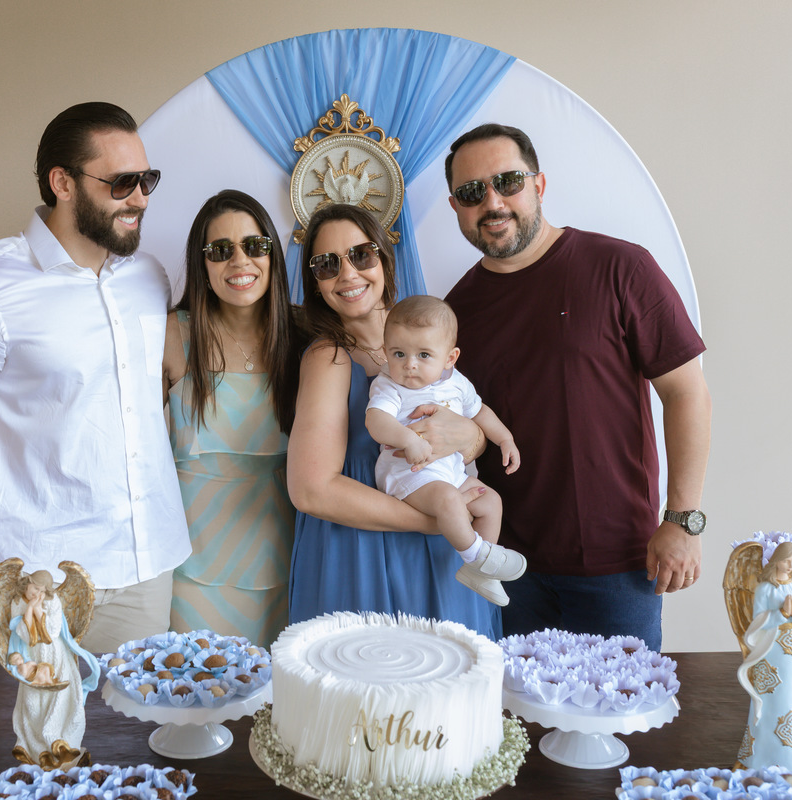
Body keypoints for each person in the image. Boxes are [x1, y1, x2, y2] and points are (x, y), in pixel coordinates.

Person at [0, 102, 190, 653]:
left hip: (147, 564)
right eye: (122, 183)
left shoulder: (149, 278)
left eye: (148, 180)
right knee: (42, 714)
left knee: (136, 712)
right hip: (40, 579)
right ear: (62, 183)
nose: (141, 198)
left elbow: (160, 392)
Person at [441, 122, 711, 650]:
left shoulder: (621, 267)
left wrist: (683, 520)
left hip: (619, 566)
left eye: (508, 182)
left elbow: (686, 393)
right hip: (509, 570)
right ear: (456, 207)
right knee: (517, 707)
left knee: (622, 704)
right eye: (472, 192)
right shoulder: (454, 312)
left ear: (539, 185)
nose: (492, 202)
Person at [286, 203, 498, 637]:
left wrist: (471, 438)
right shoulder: (329, 358)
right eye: (327, 264)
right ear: (315, 282)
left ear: (384, 257)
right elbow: (311, 490)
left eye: (361, 255)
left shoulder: (425, 338)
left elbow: (465, 417)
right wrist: (439, 520)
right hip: (365, 549)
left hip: (445, 541)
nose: (348, 274)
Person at [162, 190, 302, 646]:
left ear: (273, 255)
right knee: (195, 684)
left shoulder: (304, 336)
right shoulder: (173, 335)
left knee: (275, 690)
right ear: (202, 264)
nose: (240, 261)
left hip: (285, 562)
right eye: (220, 250)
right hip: (189, 568)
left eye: (255, 246)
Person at [364, 295, 524, 607]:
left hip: (449, 473)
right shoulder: (389, 385)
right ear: (385, 352)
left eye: (424, 355)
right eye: (399, 353)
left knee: (490, 501)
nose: (410, 364)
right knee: (450, 500)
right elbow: (376, 420)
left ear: (450, 358)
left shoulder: (457, 382)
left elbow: (479, 412)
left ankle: (479, 573)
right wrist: (408, 440)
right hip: (408, 475)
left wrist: (505, 439)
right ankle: (477, 555)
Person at [735, 542, 792, 788]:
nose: (791, 565)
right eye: (787, 560)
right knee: (773, 698)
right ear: (777, 559)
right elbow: (757, 621)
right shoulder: (764, 589)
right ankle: (762, 760)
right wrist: (781, 614)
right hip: (772, 650)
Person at [7, 570, 100, 767]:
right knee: (33, 702)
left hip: (55, 654)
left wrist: (37, 610)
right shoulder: (18, 602)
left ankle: (62, 744)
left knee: (62, 697)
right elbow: (23, 634)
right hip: (32, 655)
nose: (37, 593)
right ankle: (38, 750)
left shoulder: (53, 601)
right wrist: (29, 607)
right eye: (35, 588)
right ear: (27, 583)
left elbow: (52, 632)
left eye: (42, 590)